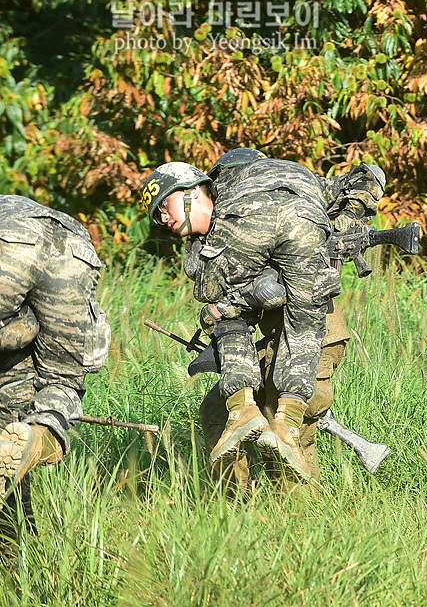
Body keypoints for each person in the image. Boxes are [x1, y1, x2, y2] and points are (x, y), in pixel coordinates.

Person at [141, 158, 343, 485]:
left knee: (286, 434)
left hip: (310, 344)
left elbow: (300, 307)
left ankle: (297, 521)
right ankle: (234, 513)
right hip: (266, 343)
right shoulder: (214, 246)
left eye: (165, 206)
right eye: (158, 215)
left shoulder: (267, 215)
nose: (164, 220)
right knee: (216, 412)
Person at [0, 196, 111, 506]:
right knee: (62, 382)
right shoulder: (18, 203)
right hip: (75, 248)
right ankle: (34, 439)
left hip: (9, 243)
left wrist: (21, 331)